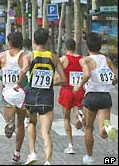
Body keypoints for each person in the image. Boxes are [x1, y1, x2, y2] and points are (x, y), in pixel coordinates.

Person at [73, 33, 118, 165]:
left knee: (89, 128)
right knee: (103, 129)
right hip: (105, 96)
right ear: (100, 46)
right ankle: (107, 128)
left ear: (87, 47)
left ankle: (90, 157)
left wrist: (79, 85)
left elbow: (87, 74)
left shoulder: (85, 60)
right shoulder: (106, 59)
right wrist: (110, 84)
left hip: (91, 95)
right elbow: (117, 76)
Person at [24, 28, 67, 165]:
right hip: (47, 97)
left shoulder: (29, 56)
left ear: (34, 41)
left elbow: (23, 72)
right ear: (48, 40)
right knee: (46, 132)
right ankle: (48, 161)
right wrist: (51, 83)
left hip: (31, 95)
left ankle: (32, 153)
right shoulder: (54, 57)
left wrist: (18, 83)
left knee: (31, 123)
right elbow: (64, 79)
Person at [0, 32, 29, 164]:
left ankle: (9, 121)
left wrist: (2, 78)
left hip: (7, 92)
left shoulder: (2, 56)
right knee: (21, 124)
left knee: (10, 128)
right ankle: (16, 153)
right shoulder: (24, 56)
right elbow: (25, 69)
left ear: (9, 43)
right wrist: (19, 80)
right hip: (21, 93)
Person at [58, 38, 85, 154]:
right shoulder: (82, 59)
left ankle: (70, 145)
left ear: (65, 48)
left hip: (67, 90)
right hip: (79, 90)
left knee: (66, 119)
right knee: (77, 111)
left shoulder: (63, 59)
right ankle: (79, 117)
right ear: (75, 47)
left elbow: (57, 73)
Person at [22, 38, 33, 128]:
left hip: (25, 77)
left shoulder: (23, 55)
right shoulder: (33, 54)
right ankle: (28, 117)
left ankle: (26, 117)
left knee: (24, 98)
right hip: (31, 76)